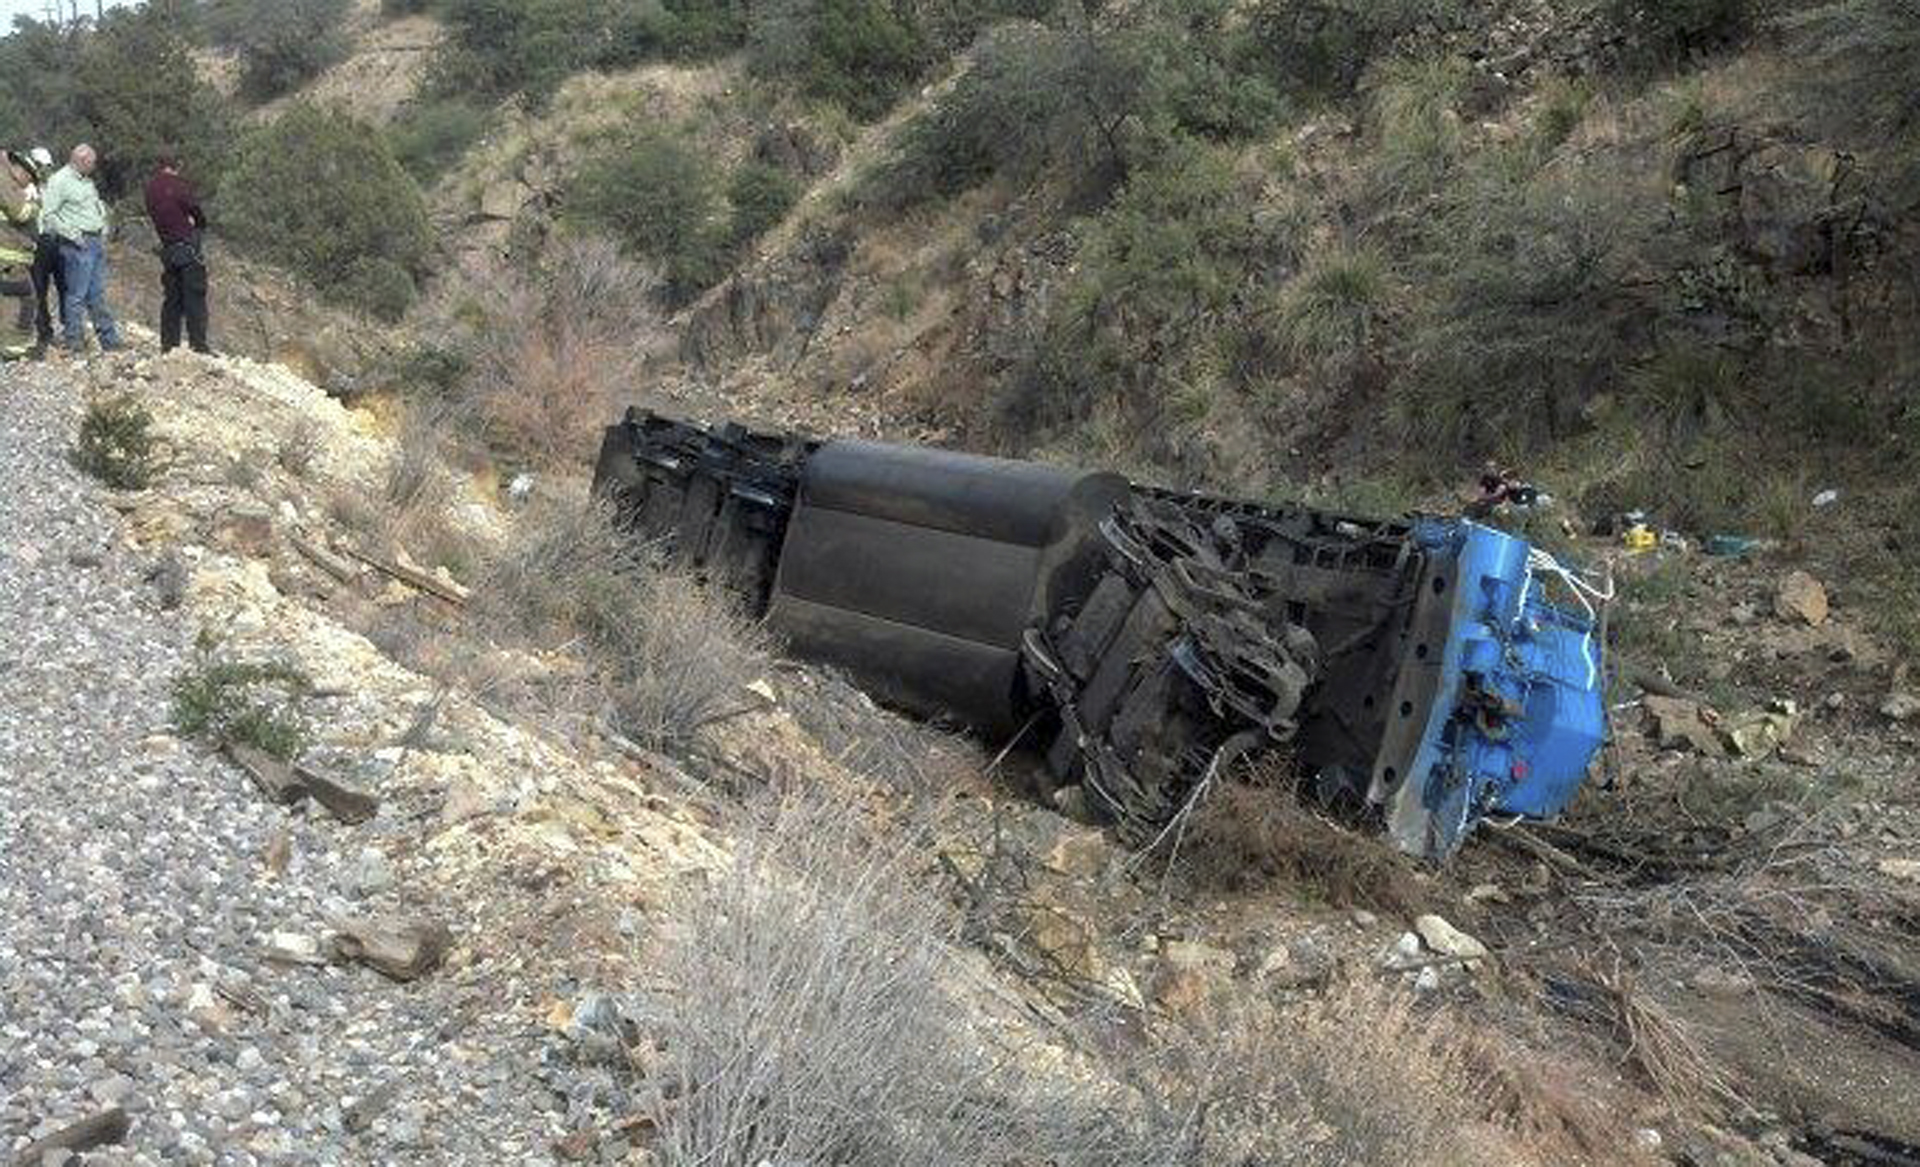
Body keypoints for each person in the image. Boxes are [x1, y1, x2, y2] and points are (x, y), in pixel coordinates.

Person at [40, 143, 121, 354]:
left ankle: (110, 340)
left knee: (97, 294)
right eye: (92, 162)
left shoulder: (86, 181)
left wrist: (103, 228)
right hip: (77, 244)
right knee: (76, 295)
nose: (94, 166)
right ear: (81, 161)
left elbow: (94, 207)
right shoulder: (59, 181)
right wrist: (73, 235)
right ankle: (74, 340)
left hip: (95, 241)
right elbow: (49, 215)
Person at [143, 151, 210, 355]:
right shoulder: (179, 186)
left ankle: (169, 345)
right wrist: (197, 224)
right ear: (178, 165)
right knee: (194, 296)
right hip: (187, 246)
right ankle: (198, 345)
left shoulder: (150, 188)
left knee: (172, 298)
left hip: (167, 246)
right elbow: (197, 212)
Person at [0, 149, 41, 361]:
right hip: (9, 258)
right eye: (29, 178)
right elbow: (21, 212)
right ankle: (13, 351)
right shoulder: (5, 180)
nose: (28, 183)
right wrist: (35, 204)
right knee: (21, 301)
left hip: (11, 257)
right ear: (21, 170)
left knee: (12, 301)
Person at [27, 146, 67, 351]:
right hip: (37, 242)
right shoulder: (26, 188)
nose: (45, 170)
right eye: (41, 166)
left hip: (58, 240)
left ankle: (70, 329)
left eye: (48, 166)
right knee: (39, 290)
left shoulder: (56, 185)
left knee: (65, 287)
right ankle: (44, 332)